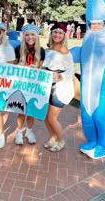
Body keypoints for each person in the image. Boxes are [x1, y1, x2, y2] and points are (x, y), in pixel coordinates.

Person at [42, 23, 76, 152]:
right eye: (55, 32)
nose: (57, 35)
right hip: (48, 86)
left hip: (60, 88)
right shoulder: (50, 49)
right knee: (46, 118)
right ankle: (52, 139)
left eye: (60, 33)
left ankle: (61, 141)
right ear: (51, 34)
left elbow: (71, 69)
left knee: (52, 118)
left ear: (64, 35)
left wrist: (61, 76)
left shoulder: (64, 49)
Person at [14, 24, 45, 145]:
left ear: (36, 36)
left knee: (31, 109)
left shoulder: (41, 51)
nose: (30, 37)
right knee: (21, 109)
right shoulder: (18, 49)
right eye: (27, 35)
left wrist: (36, 68)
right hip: (21, 84)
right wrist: (19, 66)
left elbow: (42, 69)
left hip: (34, 85)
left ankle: (29, 131)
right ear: (24, 36)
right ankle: (19, 131)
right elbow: (13, 67)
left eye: (32, 35)